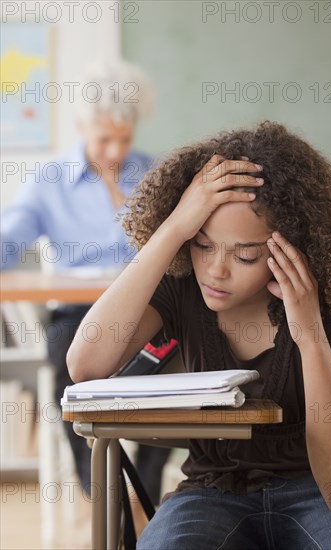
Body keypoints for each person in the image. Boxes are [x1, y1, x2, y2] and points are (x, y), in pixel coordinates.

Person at [67, 120, 331, 549]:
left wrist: (311, 336)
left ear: (293, 249)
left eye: (245, 255)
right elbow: (85, 364)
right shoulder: (183, 279)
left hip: (316, 493)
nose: (215, 270)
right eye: (203, 244)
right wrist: (173, 230)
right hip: (211, 492)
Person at [0, 59, 171, 519]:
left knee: (184, 357)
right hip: (79, 315)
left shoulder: (156, 175)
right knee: (66, 368)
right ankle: (105, 494)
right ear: (81, 125)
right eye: (103, 138)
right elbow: (10, 240)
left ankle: (149, 488)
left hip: (152, 313)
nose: (114, 150)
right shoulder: (49, 181)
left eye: (124, 138)